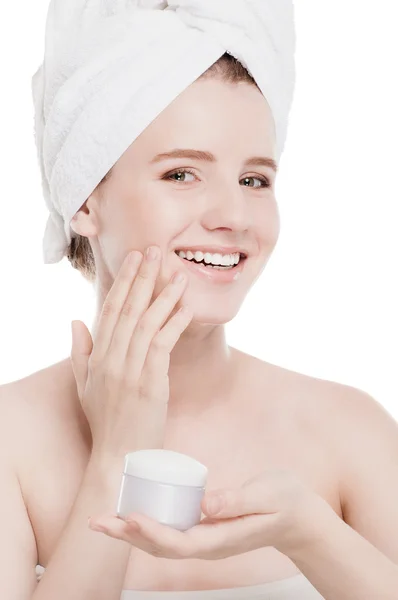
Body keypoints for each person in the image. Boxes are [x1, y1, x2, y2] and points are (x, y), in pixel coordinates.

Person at [1, 5, 398, 600]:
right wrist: (116, 458)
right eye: (182, 174)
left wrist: (313, 534)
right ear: (84, 198)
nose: (233, 217)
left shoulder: (352, 430)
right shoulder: (12, 443)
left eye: (254, 179)